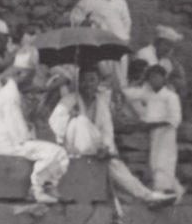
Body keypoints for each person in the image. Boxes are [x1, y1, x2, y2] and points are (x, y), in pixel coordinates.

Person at [53, 69, 173, 205]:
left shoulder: (101, 103)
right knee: (80, 121)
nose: (87, 84)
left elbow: (107, 131)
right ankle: (146, 195)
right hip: (73, 146)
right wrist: (69, 117)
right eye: (84, 81)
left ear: (98, 82)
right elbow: (55, 123)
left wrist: (106, 148)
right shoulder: (69, 100)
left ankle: (147, 196)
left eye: (91, 80)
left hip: (96, 148)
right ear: (79, 83)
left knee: (115, 164)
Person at [0, 59, 70, 205]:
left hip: (9, 142)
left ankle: (47, 187)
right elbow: (20, 136)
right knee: (57, 153)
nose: (31, 81)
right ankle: (37, 189)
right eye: (29, 76)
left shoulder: (11, 92)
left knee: (56, 152)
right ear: (19, 74)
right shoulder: (10, 96)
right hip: (7, 145)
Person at [122, 61, 185, 199]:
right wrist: (118, 89)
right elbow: (131, 94)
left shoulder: (171, 96)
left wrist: (153, 125)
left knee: (164, 161)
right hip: (154, 134)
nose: (153, 80)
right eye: (151, 77)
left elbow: (175, 119)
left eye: (157, 77)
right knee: (154, 161)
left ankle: (164, 192)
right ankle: (167, 193)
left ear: (164, 78)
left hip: (167, 134)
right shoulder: (148, 94)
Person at [131, 25, 190, 97]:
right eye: (167, 44)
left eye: (171, 46)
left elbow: (169, 80)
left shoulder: (167, 61)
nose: (168, 48)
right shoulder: (144, 53)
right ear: (158, 42)